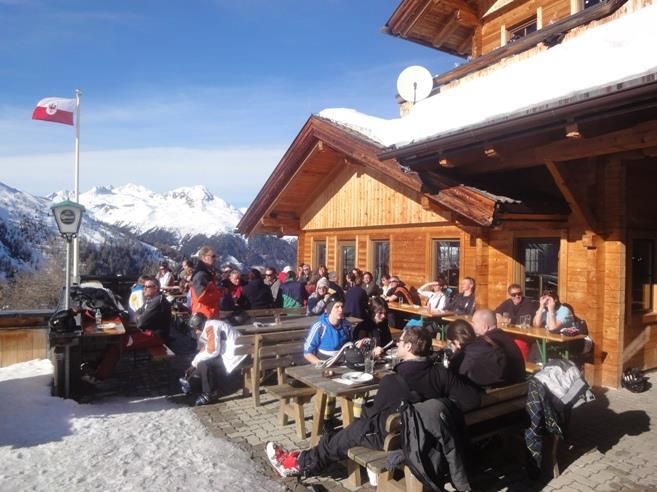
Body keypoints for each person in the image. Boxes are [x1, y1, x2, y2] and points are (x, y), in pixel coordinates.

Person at [266, 327, 481, 478]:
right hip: (424, 435)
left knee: (350, 431)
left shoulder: (393, 380)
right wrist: (438, 407)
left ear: (408, 346)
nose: (397, 343)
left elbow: (374, 416)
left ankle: (299, 465)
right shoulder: (441, 373)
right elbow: (472, 399)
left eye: (400, 341)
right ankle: (309, 455)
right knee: (342, 433)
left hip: (394, 438)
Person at [91, 277, 171, 381]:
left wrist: (140, 318)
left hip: (156, 336)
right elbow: (138, 313)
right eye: (143, 286)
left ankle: (99, 376)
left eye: (147, 287)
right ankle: (97, 366)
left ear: (156, 288)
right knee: (116, 336)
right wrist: (140, 317)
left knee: (119, 343)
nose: (144, 289)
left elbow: (141, 322)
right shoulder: (151, 300)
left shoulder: (158, 302)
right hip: (147, 331)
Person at [445, 319, 508, 388]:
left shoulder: (461, 360)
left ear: (456, 342)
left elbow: (453, 385)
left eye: (450, 344)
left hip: (477, 393)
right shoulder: (492, 346)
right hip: (504, 390)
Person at [471, 309, 525, 385]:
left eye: (473, 323)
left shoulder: (484, 342)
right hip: (519, 386)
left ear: (484, 326)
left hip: (502, 389)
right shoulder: (507, 338)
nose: (471, 326)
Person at [303, 298, 353, 364]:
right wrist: (320, 363)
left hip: (343, 361)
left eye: (342, 306)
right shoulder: (320, 326)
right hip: (324, 361)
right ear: (330, 309)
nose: (341, 310)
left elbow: (350, 344)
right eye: (337, 307)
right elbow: (307, 352)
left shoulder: (347, 325)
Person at [190, 246, 222, 320]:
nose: (215, 259)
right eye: (213, 256)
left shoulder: (207, 273)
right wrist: (219, 293)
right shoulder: (201, 274)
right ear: (204, 257)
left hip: (209, 312)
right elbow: (202, 297)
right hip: (204, 315)